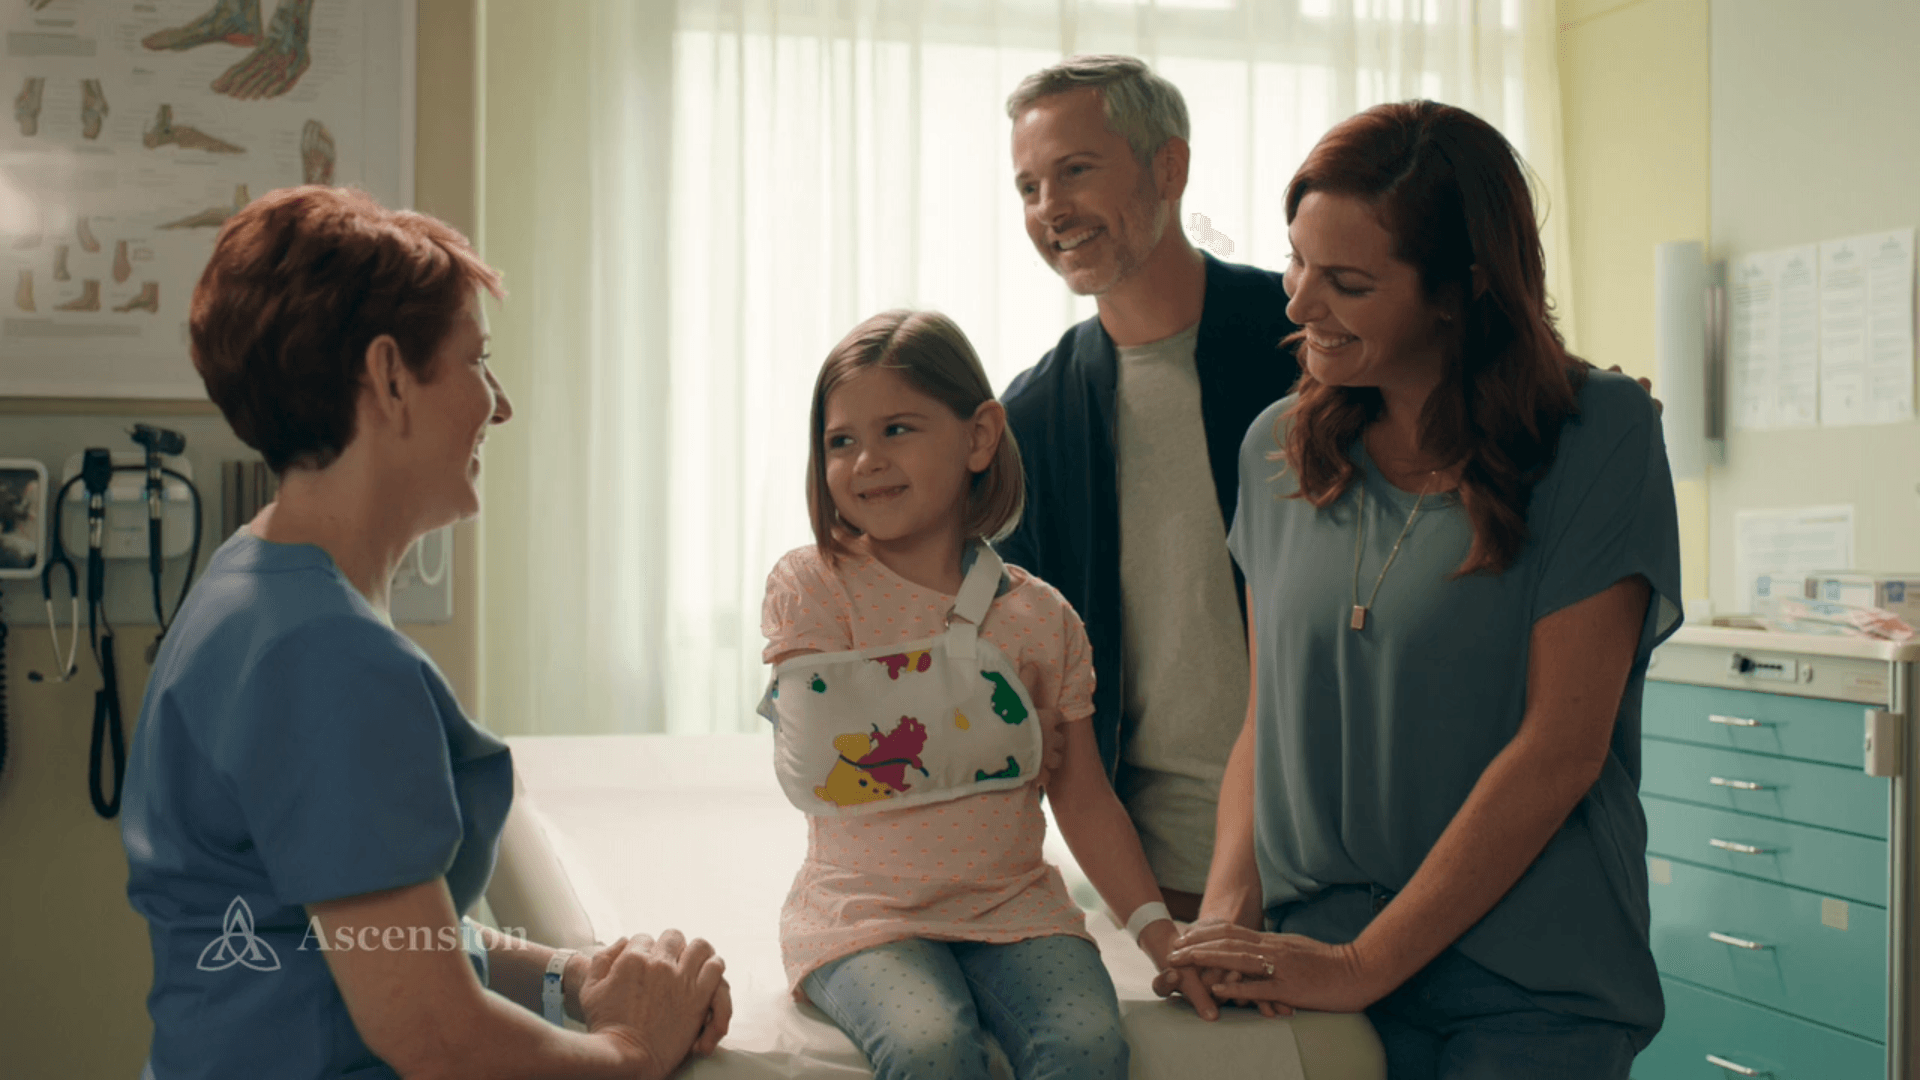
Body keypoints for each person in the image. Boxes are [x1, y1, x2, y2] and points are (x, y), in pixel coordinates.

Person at [121, 186, 731, 1080]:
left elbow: (383, 924)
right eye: (479, 362)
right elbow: (436, 1039)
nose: (501, 405)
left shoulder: (255, 587)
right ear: (390, 377)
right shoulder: (327, 659)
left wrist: (574, 977)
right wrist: (633, 1049)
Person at [1154, 101, 1682, 1078]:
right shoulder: (1277, 448)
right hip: (1311, 967)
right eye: (1298, 260)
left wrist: (1366, 963)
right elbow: (1266, 722)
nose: (1299, 302)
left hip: (1528, 988)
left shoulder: (1596, 437)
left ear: (1462, 291)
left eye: (1348, 281)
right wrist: (1223, 925)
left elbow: (1561, 747)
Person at [758, 309, 1212, 1080]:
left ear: (979, 437)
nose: (867, 460)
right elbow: (823, 758)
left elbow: (1087, 800)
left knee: (1088, 1046)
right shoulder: (814, 585)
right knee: (930, 1045)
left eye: (898, 429)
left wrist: (1158, 931)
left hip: (1014, 911)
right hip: (862, 918)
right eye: (841, 441)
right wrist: (1007, 735)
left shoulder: (1040, 618)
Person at [997, 55, 1300, 927]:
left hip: (1341, 853)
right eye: (1028, 187)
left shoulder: (1308, 348)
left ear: (1169, 166)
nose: (1049, 208)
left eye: (1075, 170)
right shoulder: (1034, 418)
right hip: (1160, 873)